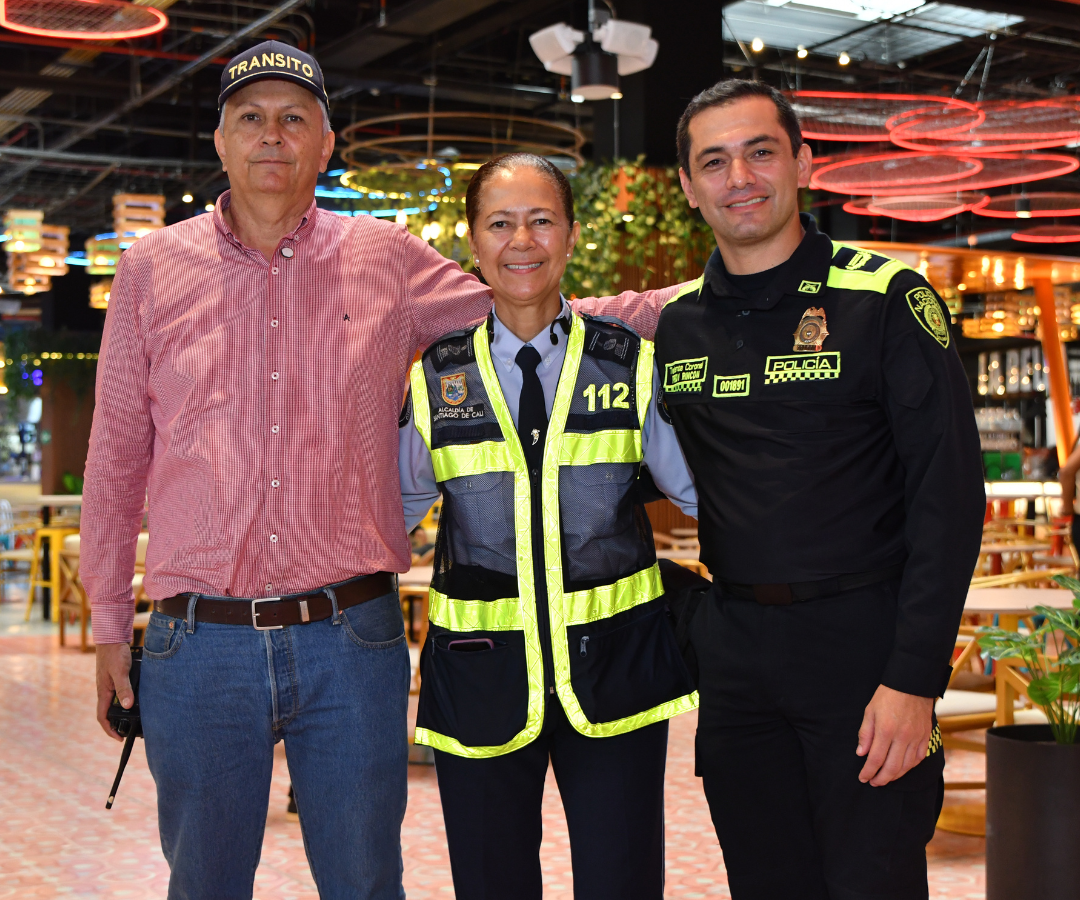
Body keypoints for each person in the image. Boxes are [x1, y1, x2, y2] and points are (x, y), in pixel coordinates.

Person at [82, 41, 678, 899]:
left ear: (328, 143)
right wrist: (109, 624)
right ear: (220, 140)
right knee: (204, 885)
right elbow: (114, 458)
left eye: (296, 118)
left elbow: (525, 304)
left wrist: (705, 301)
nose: (272, 136)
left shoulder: (386, 257)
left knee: (365, 884)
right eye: (251, 118)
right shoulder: (149, 270)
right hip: (199, 642)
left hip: (350, 642)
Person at [619, 80, 986, 899]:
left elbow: (950, 500)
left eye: (760, 152)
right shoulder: (678, 325)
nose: (740, 178)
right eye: (714, 162)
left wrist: (915, 679)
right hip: (739, 659)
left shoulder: (884, 299)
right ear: (688, 187)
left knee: (873, 882)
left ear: (803, 163)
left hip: (865, 652)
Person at [398, 152, 698, 900]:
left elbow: (704, 498)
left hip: (618, 674)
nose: (522, 241)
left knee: (622, 884)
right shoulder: (435, 378)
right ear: (473, 241)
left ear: (570, 236)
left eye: (541, 221)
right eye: (501, 224)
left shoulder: (627, 364)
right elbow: (385, 521)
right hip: (480, 677)